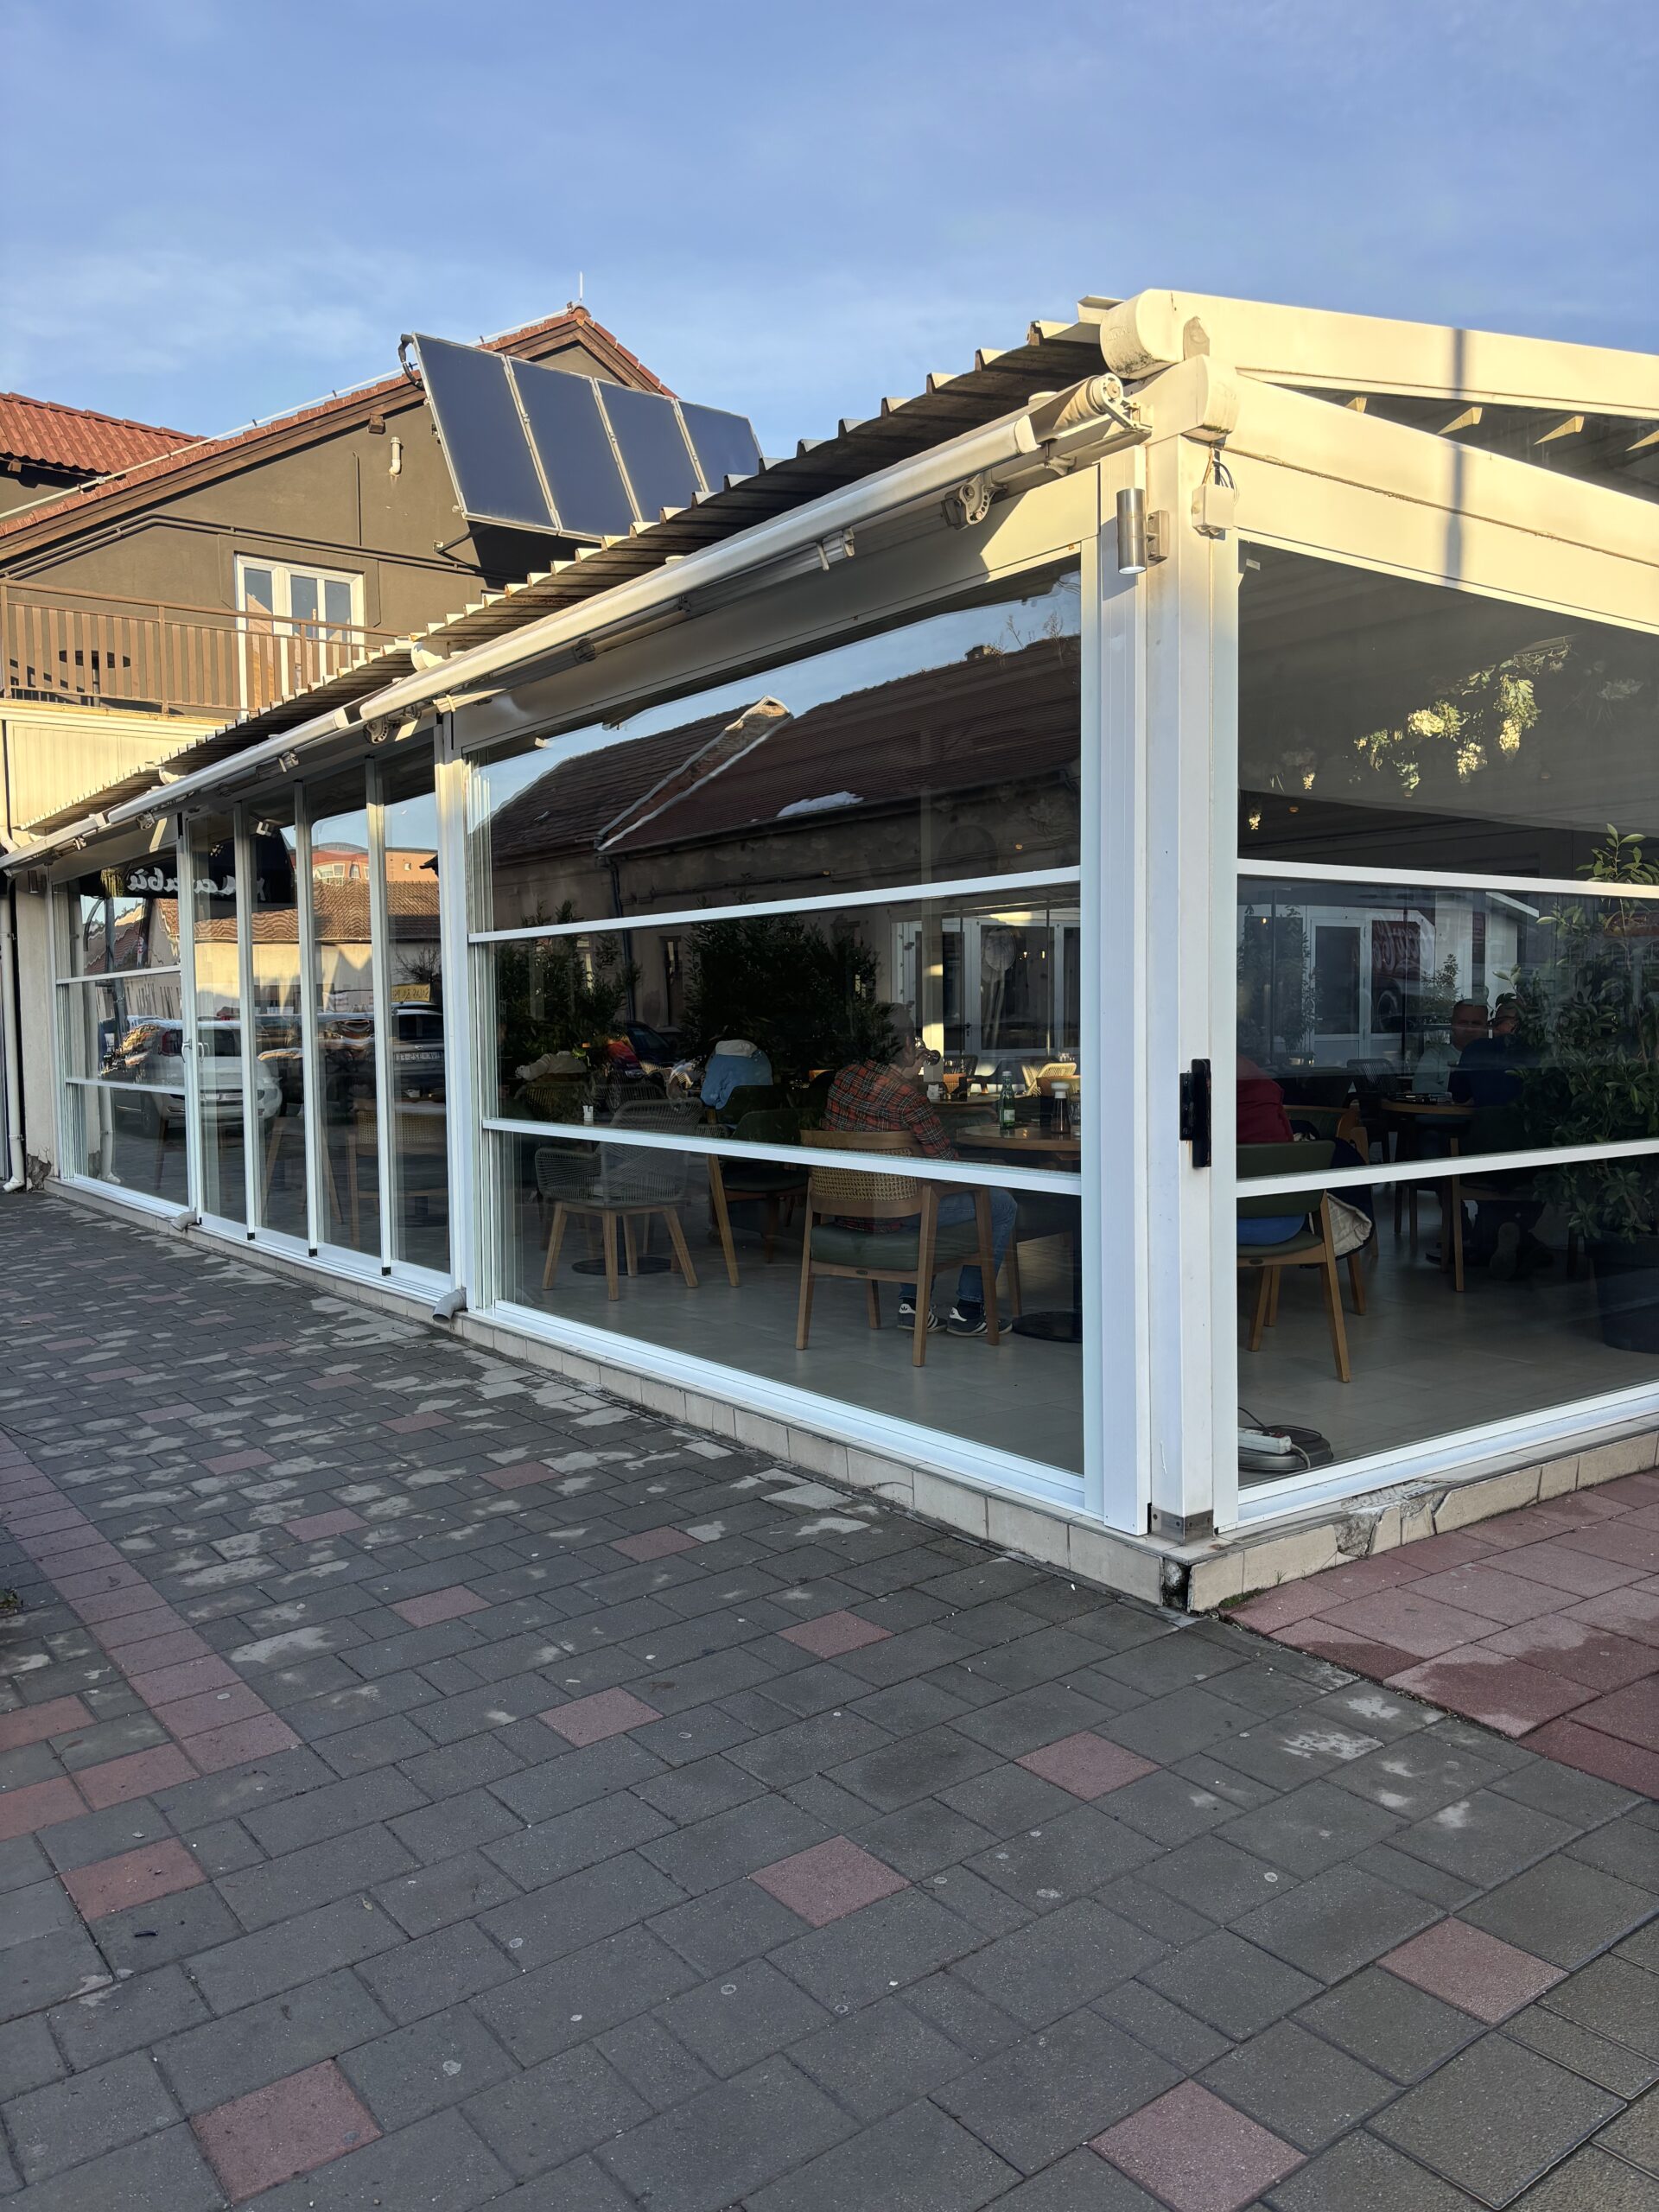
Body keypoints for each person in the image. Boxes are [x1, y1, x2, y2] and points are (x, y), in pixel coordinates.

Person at [823, 1017, 1016, 1336]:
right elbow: (946, 1168)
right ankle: (969, 1311)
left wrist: (905, 1074)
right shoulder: (909, 1099)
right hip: (896, 1214)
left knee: (919, 1193)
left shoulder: (844, 1078)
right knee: (999, 1204)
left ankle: (913, 1306)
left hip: (848, 1208)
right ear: (908, 1046)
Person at [1414, 1001, 1489, 1099]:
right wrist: (1457, 1098)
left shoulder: (1496, 1057)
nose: (1469, 1029)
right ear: (1452, 1025)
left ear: (1486, 1027)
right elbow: (1420, 1087)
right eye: (1463, 1023)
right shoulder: (1435, 1055)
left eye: (1476, 1023)